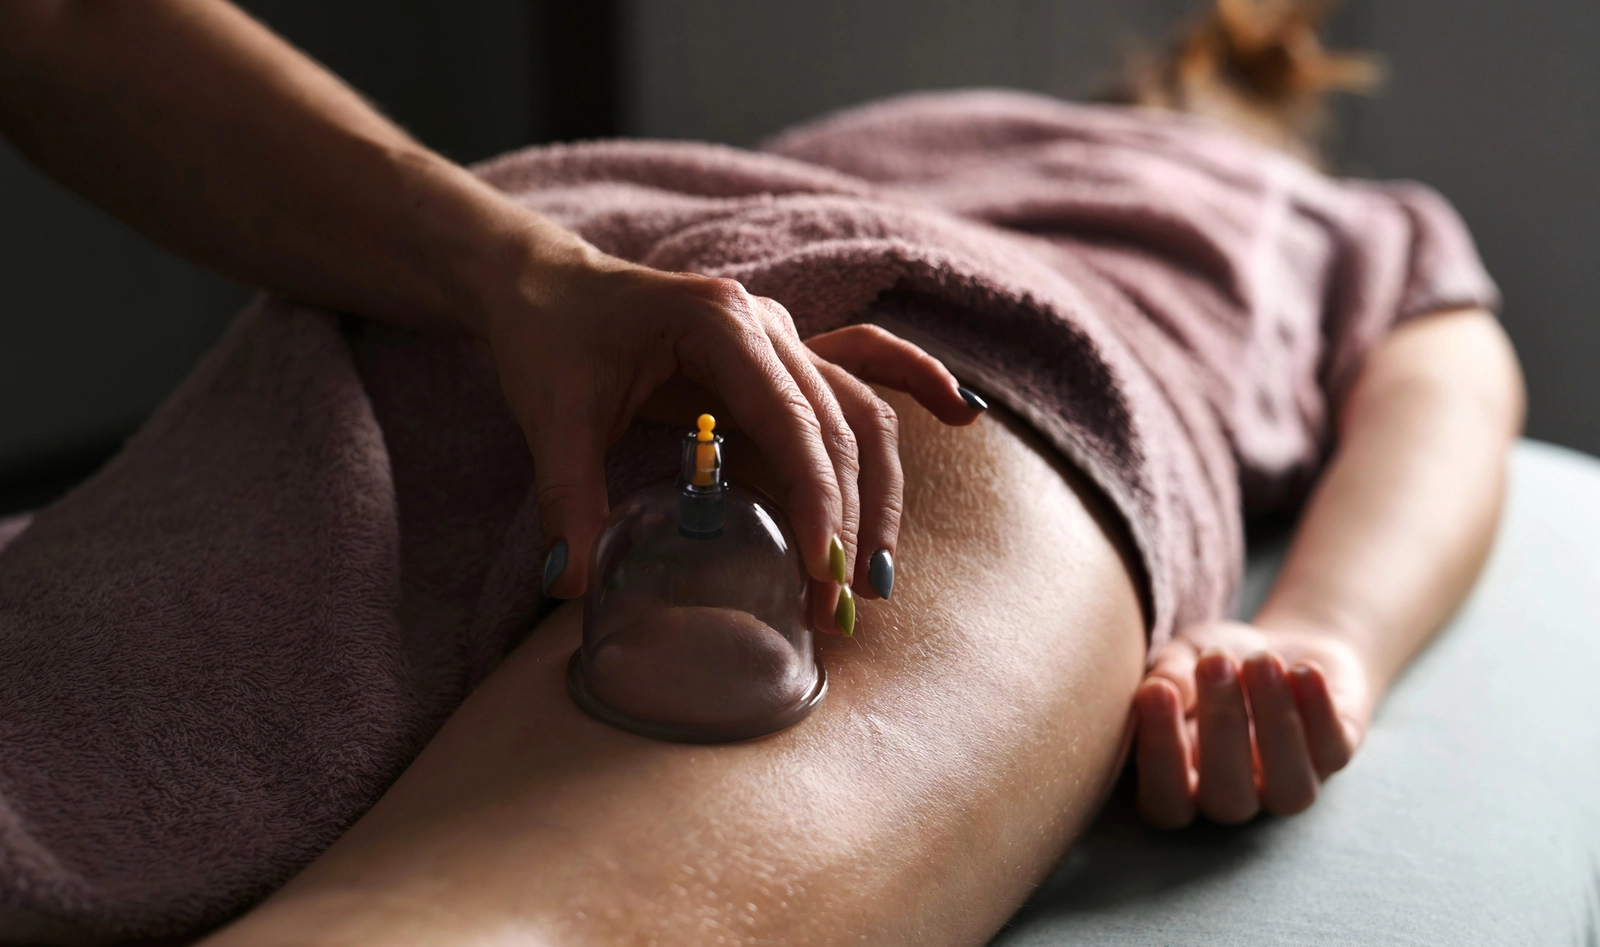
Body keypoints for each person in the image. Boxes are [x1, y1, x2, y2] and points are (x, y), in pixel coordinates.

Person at [0, 1, 1521, 944]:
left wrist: (1320, 633)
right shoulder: (1342, 221)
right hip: (936, 362)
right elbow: (1456, 396)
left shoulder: (900, 131)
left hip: (556, 278)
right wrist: (1322, 633)